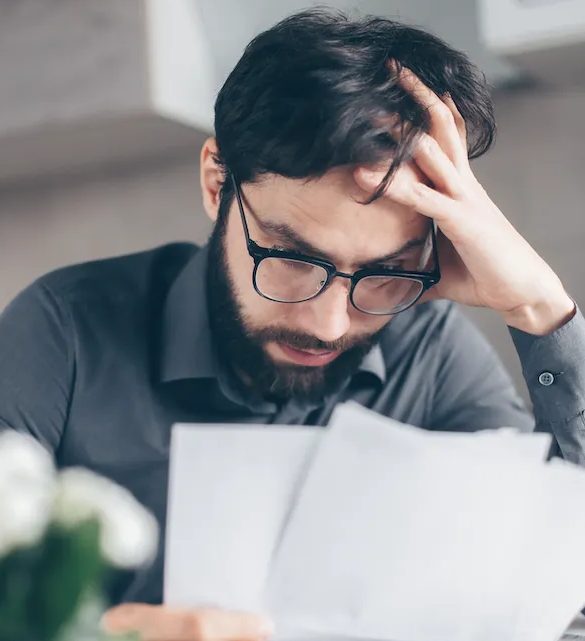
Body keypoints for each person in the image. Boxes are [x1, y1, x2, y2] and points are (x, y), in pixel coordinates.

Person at [1, 8, 583, 641]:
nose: (330, 325)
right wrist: (106, 633)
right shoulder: (65, 333)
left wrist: (541, 311)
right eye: (292, 259)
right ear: (216, 180)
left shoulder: (429, 354)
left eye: (382, 273)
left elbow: (555, 594)